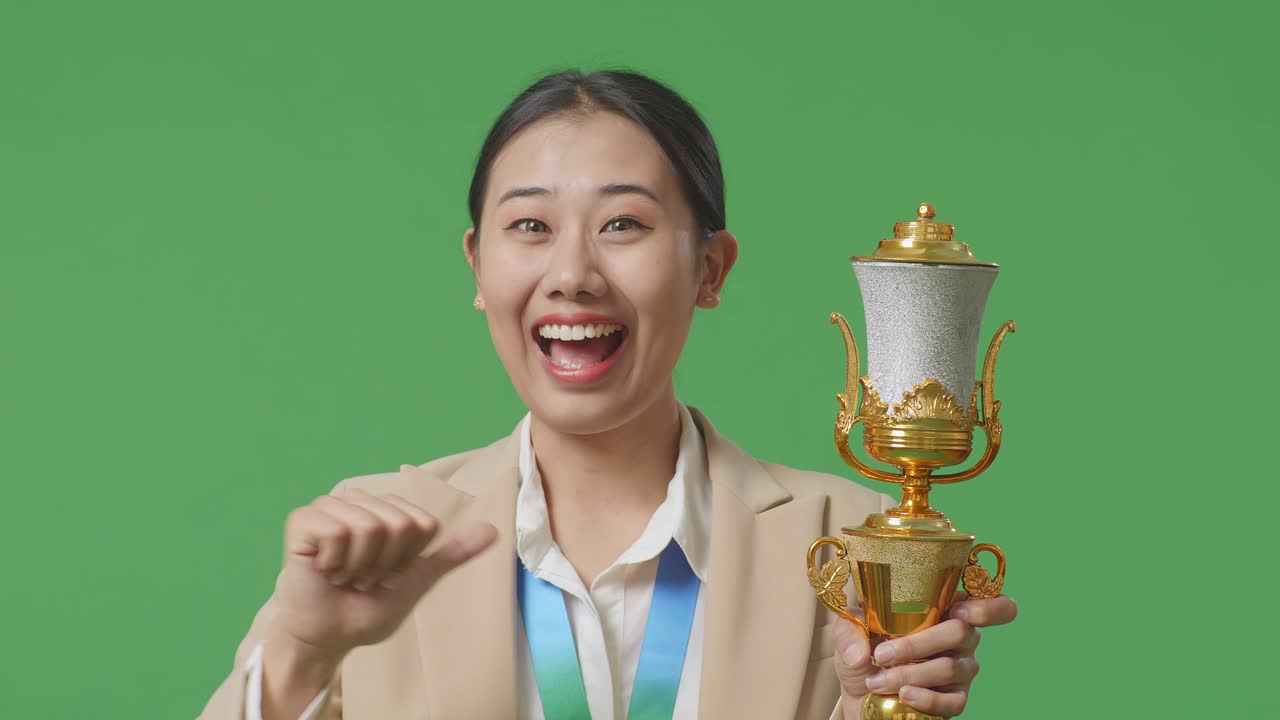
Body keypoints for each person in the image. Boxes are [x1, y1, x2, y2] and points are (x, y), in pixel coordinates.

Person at [198, 69, 1017, 720]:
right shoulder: (375, 543)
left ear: (709, 269)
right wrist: (301, 652)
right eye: (530, 227)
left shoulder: (846, 545)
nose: (572, 274)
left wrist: (877, 703)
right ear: (477, 266)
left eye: (623, 224)